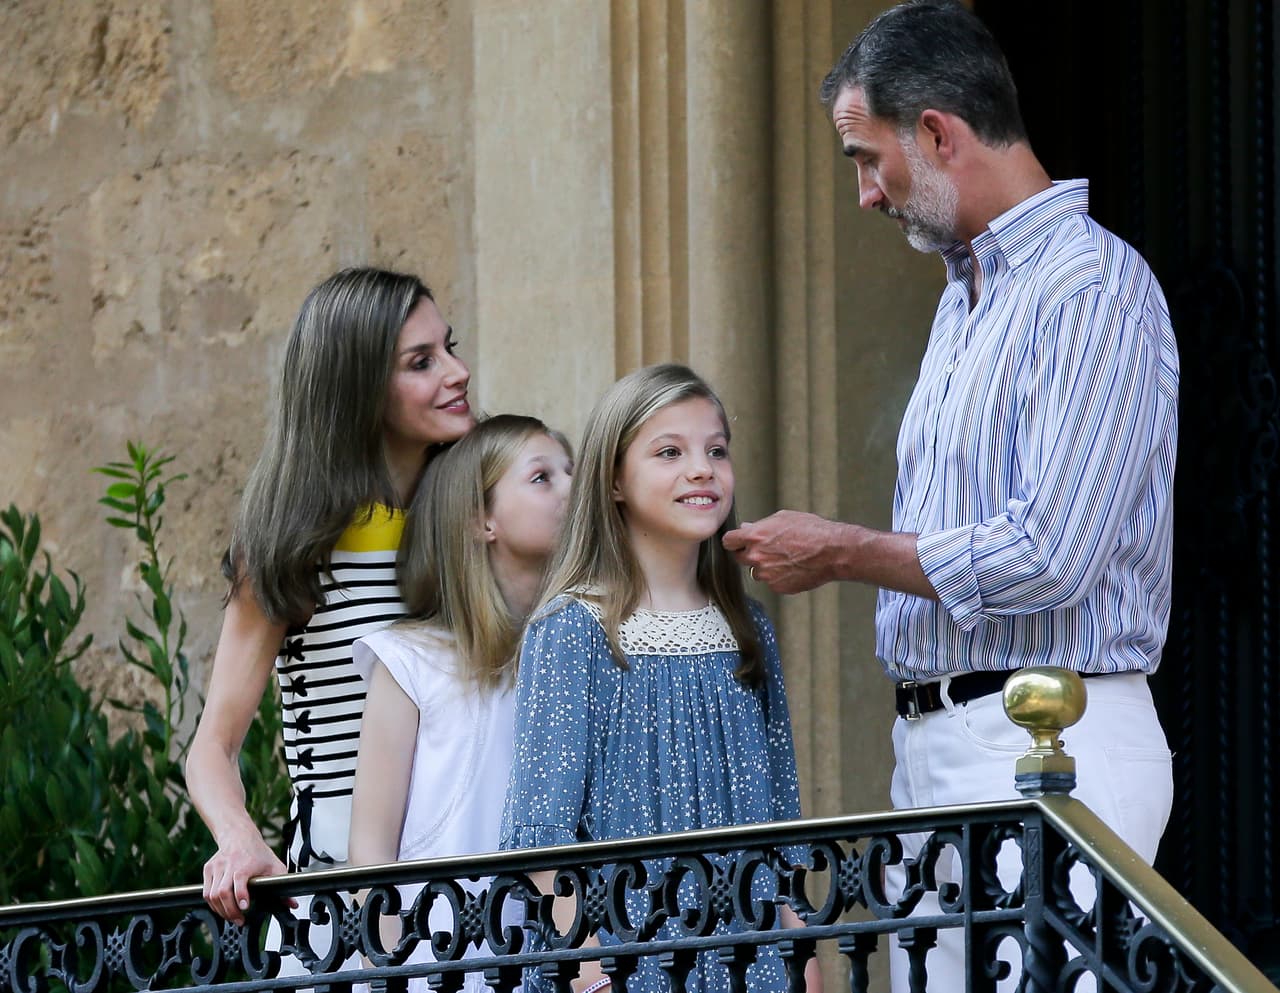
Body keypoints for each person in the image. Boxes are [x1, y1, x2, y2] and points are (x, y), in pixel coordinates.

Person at [722, 2, 1178, 989]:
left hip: (1053, 745)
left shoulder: (1087, 291)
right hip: (939, 750)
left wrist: (843, 551)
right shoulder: (964, 297)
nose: (862, 194)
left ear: (937, 132)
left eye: (864, 157)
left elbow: (1052, 552)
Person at [500, 364, 821, 993]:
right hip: (622, 963)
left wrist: (803, 958)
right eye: (669, 452)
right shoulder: (574, 630)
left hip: (751, 966)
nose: (701, 468)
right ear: (614, 481)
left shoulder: (747, 628)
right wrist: (593, 975)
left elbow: (785, 827)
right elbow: (541, 839)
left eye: (716, 450)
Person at [186, 267, 475, 926]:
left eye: (450, 348)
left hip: (478, 871)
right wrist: (240, 839)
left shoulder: (477, 515)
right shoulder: (293, 537)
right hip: (347, 891)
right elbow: (212, 745)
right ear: (360, 386)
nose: (456, 372)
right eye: (421, 362)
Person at [347, 414, 573, 993]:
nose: (573, 489)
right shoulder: (408, 661)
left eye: (572, 472)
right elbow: (370, 855)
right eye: (543, 477)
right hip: (439, 966)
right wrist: (393, 974)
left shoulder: (579, 662)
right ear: (482, 520)